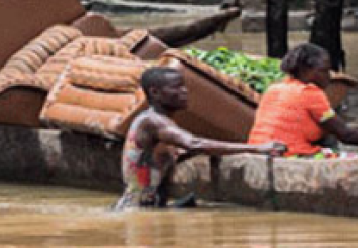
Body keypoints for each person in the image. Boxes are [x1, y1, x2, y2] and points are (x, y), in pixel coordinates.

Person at [115, 65, 286, 210]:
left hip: (147, 207)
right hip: (138, 209)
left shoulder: (159, 122)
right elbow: (194, 143)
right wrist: (257, 148)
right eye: (176, 87)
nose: (185, 91)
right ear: (155, 93)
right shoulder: (153, 122)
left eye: (184, 86)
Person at [249, 43, 358, 158]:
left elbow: (329, 126)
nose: (329, 76)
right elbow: (346, 135)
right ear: (306, 71)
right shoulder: (310, 93)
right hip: (290, 155)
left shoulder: (273, 88)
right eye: (323, 70)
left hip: (257, 153)